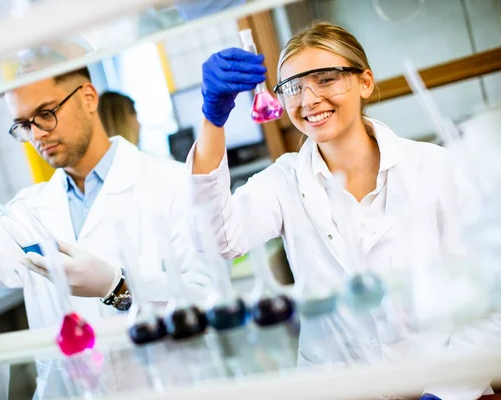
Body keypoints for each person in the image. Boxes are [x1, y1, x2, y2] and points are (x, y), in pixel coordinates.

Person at [188, 21, 498, 399]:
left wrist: (444, 391)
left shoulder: (436, 167)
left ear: (365, 82)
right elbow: (217, 239)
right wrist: (212, 119)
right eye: (293, 87)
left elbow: (491, 293)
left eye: (326, 79)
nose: (309, 99)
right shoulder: (284, 181)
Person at [0, 67, 210, 330]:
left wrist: (120, 287)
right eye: (23, 125)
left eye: (45, 114)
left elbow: (207, 296)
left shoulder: (173, 183)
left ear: (88, 98)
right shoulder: (30, 207)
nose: (37, 135)